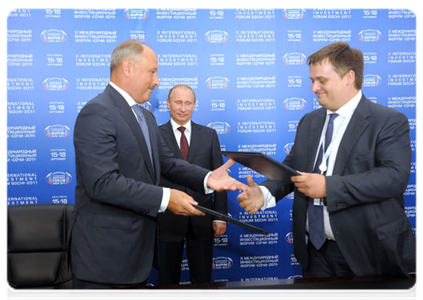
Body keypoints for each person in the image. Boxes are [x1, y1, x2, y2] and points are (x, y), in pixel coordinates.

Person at [69, 40, 246, 291]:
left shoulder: (145, 116)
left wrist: (207, 179)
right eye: (152, 71)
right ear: (128, 68)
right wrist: (166, 197)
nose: (157, 81)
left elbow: (168, 162)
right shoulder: (98, 112)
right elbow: (102, 183)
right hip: (106, 259)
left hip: (137, 257)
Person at [237, 42, 419, 278]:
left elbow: (393, 178)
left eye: (321, 80)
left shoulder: (388, 121)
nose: (314, 88)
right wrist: (264, 193)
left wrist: (327, 187)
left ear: (349, 77)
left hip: (368, 252)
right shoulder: (308, 121)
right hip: (315, 252)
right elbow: (291, 170)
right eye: (312, 80)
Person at [156, 85, 227, 285]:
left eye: (188, 103)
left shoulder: (209, 135)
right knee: (167, 281)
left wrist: (220, 218)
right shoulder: (154, 135)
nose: (183, 108)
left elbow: (219, 178)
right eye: (178, 102)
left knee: (203, 280)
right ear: (168, 104)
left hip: (202, 218)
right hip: (167, 219)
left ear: (195, 105)